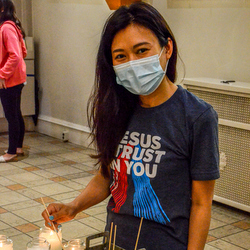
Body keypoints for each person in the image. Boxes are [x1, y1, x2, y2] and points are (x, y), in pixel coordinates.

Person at [42, 2, 220, 249]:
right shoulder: (116, 109)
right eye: (121, 56)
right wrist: (74, 206)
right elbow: (107, 176)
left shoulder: (197, 116)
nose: (132, 63)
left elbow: (202, 203)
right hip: (115, 241)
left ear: (167, 48)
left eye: (142, 50)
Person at [0, 0, 26, 163]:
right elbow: (22, 51)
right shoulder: (12, 26)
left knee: (12, 115)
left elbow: (15, 55)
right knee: (15, 113)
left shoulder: (6, 28)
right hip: (16, 78)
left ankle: (11, 152)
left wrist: (3, 74)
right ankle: (17, 148)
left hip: (8, 80)